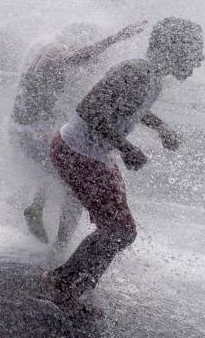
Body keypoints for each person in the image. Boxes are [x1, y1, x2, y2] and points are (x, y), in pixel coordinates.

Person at [41, 17, 204, 312]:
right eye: (195, 51)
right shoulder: (136, 70)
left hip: (92, 154)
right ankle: (61, 283)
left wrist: (160, 126)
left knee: (117, 230)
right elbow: (89, 108)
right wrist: (127, 148)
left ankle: (77, 287)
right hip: (77, 152)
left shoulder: (152, 76)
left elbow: (129, 106)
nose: (199, 60)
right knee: (119, 231)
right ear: (173, 48)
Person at [10, 20, 147, 248]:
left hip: (22, 128)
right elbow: (77, 58)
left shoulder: (41, 49)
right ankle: (59, 243)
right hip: (35, 130)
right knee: (73, 186)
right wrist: (114, 39)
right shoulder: (57, 50)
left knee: (53, 169)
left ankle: (35, 205)